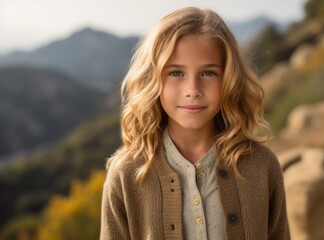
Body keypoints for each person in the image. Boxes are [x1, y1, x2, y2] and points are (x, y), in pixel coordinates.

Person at [100, 6, 290, 240]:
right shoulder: (126, 174)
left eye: (208, 73)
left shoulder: (262, 165)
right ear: (153, 79)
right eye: (176, 73)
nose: (193, 91)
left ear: (229, 79)